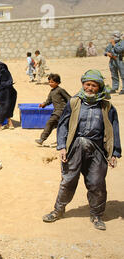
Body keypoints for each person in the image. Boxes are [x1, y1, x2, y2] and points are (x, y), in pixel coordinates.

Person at [42, 70, 121, 231]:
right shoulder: (74, 102)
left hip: (97, 149)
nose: (90, 88)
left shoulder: (107, 106)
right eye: (87, 84)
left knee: (97, 183)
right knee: (68, 181)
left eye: (94, 85)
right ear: (83, 84)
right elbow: (63, 124)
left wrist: (115, 153)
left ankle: (97, 215)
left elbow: (114, 130)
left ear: (99, 87)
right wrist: (62, 147)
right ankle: (58, 210)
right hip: (75, 148)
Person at [35, 74, 71, 145]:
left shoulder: (60, 90)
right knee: (59, 127)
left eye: (52, 82)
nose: (50, 84)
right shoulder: (52, 92)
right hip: (57, 111)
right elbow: (49, 101)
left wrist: (69, 108)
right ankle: (58, 141)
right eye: (49, 82)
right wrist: (43, 104)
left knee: (50, 122)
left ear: (57, 82)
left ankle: (42, 139)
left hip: (61, 111)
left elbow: (69, 98)